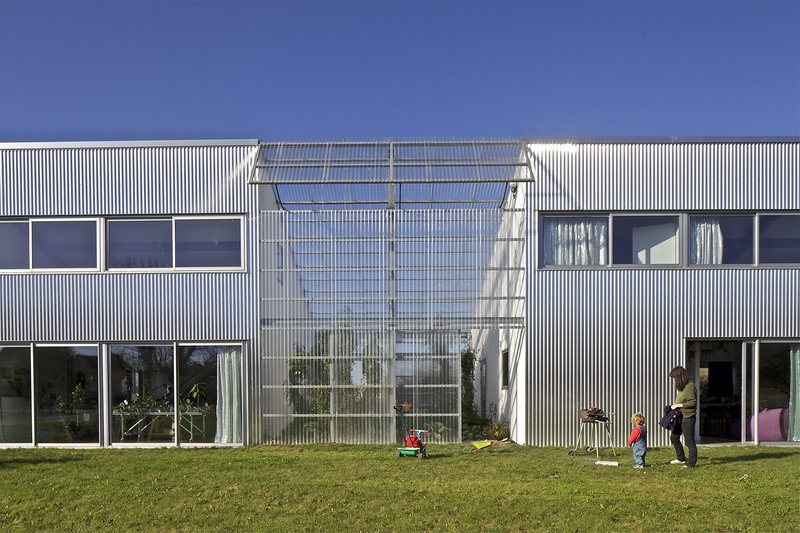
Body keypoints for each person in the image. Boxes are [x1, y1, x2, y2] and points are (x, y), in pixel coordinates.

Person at [668, 366, 697, 468]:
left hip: (688, 417)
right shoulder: (682, 387)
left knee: (689, 441)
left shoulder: (690, 386)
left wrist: (678, 405)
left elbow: (693, 402)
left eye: (675, 378)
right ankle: (681, 458)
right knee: (674, 437)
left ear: (679, 377)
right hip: (680, 417)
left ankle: (691, 463)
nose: (674, 380)